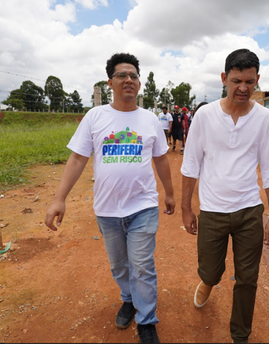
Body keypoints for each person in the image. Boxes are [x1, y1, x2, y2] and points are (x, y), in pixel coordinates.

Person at [44, 52, 176, 344]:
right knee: (119, 265)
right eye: (122, 75)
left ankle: (146, 320)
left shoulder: (150, 120)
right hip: (106, 209)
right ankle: (128, 299)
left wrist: (169, 193)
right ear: (110, 82)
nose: (128, 80)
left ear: (139, 83)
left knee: (141, 264)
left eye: (133, 75)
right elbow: (78, 158)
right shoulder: (95, 117)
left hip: (143, 206)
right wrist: (59, 198)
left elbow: (162, 160)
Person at [181, 48, 269, 343]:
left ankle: (240, 334)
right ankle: (208, 282)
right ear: (224, 78)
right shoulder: (205, 116)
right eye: (237, 80)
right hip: (212, 211)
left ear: (257, 80)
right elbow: (191, 164)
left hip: (249, 211)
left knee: (247, 278)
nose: (243, 88)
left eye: (250, 82)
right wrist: (188, 209)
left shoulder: (264, 119)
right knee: (211, 270)